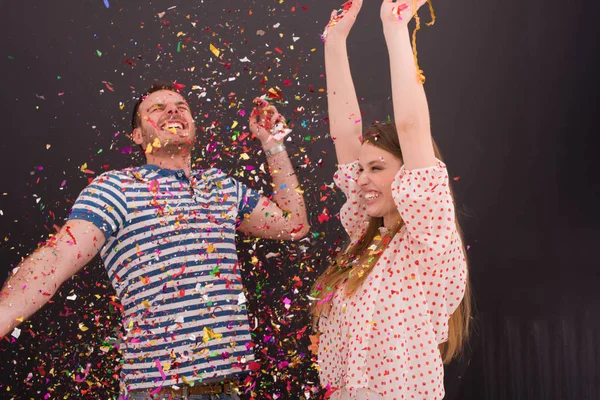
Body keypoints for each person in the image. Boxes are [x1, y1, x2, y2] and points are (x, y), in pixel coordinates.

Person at [0, 81, 309, 399]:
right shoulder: (116, 189)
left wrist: (272, 143)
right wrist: (4, 315)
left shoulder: (221, 187)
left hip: (229, 390)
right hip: (157, 392)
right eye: (157, 109)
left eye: (181, 106)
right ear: (137, 135)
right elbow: (57, 257)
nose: (173, 110)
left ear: (193, 126)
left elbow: (294, 224)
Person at [310, 1, 471, 399]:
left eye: (377, 168)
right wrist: (334, 41)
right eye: (360, 170)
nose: (361, 179)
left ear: (409, 176)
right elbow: (344, 136)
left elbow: (411, 125)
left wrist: (394, 26)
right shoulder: (363, 238)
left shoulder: (430, 241)